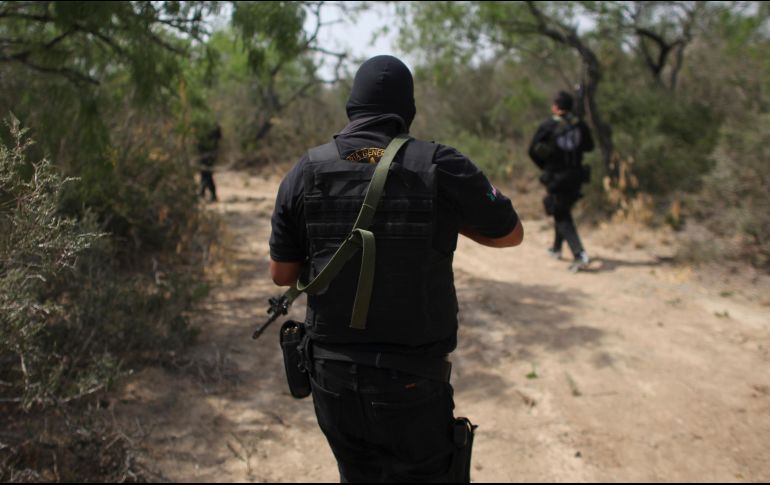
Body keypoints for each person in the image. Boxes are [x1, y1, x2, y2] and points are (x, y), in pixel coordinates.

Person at [268, 55, 523, 482]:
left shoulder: (305, 170)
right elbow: (510, 232)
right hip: (412, 382)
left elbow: (281, 274)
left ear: (352, 107)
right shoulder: (441, 164)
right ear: (408, 110)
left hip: (332, 378)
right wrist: (444, 218)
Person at [528, 91, 594, 273]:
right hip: (577, 175)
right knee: (561, 208)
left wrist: (546, 167)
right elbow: (590, 146)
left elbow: (532, 150)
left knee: (560, 212)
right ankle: (556, 248)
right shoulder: (579, 125)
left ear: (556, 107)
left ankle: (579, 254)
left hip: (557, 177)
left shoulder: (549, 126)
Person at [197, 122, 221, 202]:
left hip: (208, 153)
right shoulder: (209, 123)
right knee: (205, 173)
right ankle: (203, 192)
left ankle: (206, 193)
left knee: (206, 173)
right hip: (207, 153)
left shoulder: (210, 124)